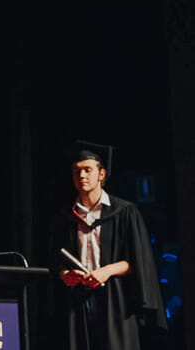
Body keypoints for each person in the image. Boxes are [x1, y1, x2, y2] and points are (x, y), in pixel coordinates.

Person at [50, 141, 167, 350]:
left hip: (116, 298)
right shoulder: (66, 216)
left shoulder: (124, 212)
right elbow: (55, 259)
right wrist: (65, 274)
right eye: (77, 171)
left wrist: (107, 271)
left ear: (101, 174)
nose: (82, 176)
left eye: (88, 170)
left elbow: (139, 262)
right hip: (78, 298)